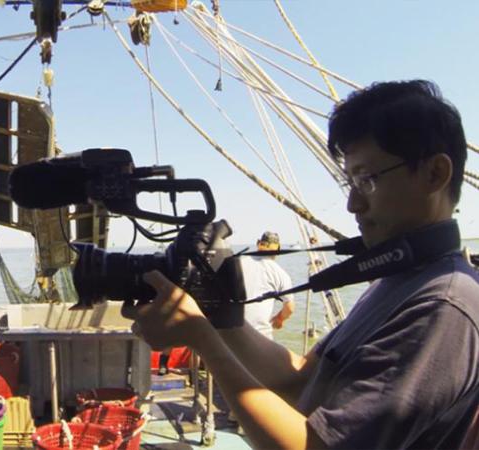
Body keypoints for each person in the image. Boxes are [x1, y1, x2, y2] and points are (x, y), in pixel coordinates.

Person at [122, 80, 479, 449]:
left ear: (435, 174)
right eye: (349, 182)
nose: (353, 204)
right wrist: (221, 319)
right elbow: (302, 381)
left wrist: (203, 340)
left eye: (367, 180)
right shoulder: (398, 284)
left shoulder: (441, 306)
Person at [241, 231, 295, 339]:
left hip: (230, 334)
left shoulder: (238, 263)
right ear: (278, 250)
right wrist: (279, 319)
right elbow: (289, 308)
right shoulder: (280, 273)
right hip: (261, 337)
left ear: (258, 244)